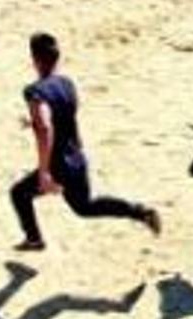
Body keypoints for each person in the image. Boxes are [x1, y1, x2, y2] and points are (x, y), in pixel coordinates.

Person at [10, 33, 161, 251]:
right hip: (76, 158)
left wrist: (44, 172)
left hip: (58, 165)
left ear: (35, 59)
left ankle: (34, 239)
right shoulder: (67, 84)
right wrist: (34, 123)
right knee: (85, 206)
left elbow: (45, 128)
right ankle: (138, 211)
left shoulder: (35, 92)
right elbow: (64, 117)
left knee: (18, 194)